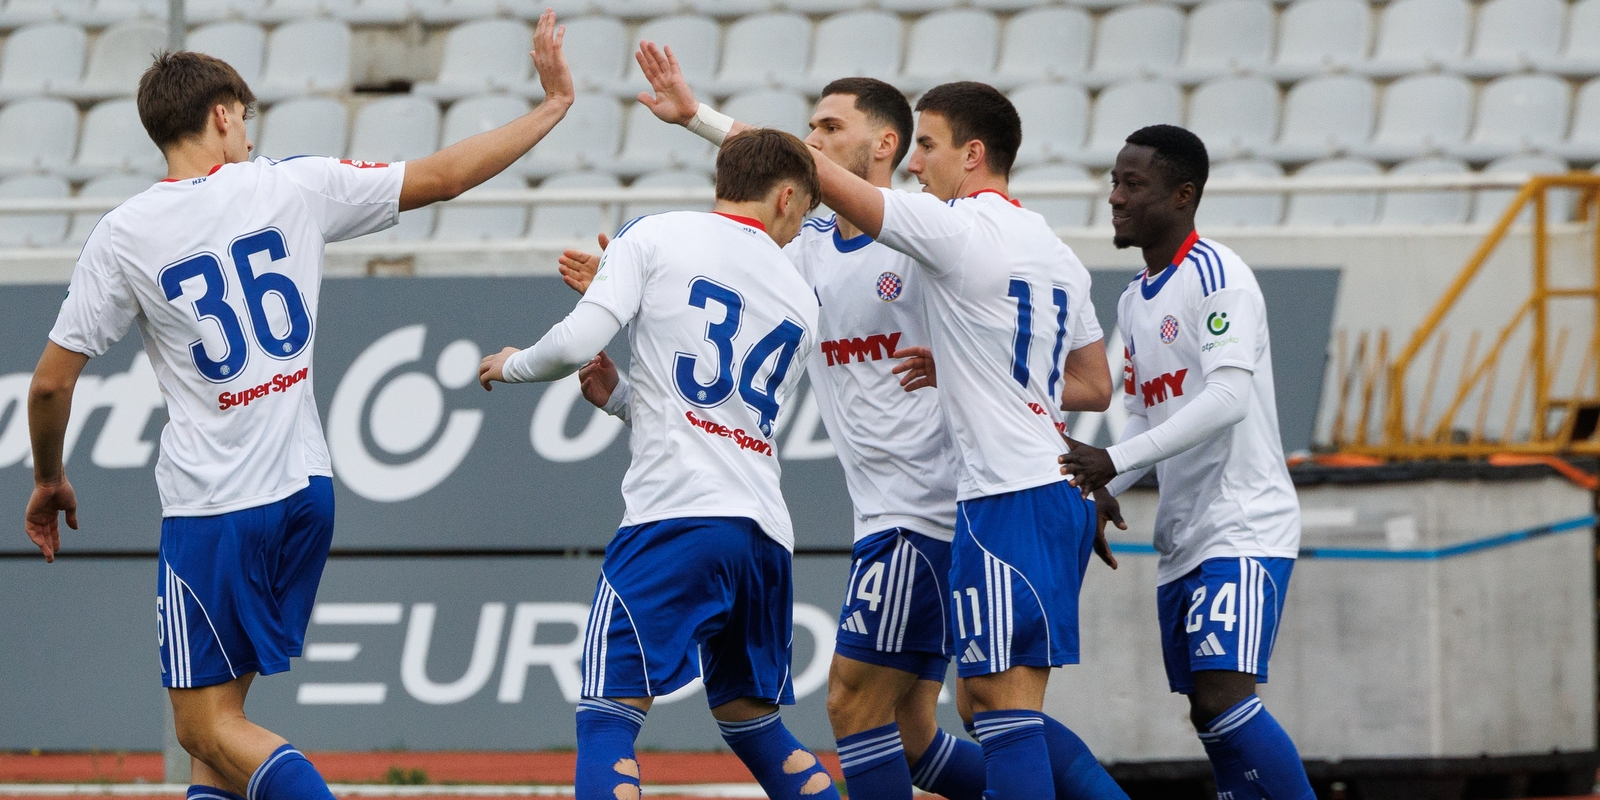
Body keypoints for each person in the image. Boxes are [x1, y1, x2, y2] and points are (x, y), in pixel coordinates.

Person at [23, 16, 573, 800]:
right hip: (305, 493)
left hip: (214, 507)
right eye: (244, 115)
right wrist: (550, 108)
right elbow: (444, 176)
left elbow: (49, 384)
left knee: (198, 727)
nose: (248, 131)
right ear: (221, 114)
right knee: (223, 733)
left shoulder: (125, 235)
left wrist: (49, 478)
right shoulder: (293, 185)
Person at [561, 67, 993, 800]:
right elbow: (719, 288)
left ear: (885, 144)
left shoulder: (926, 234)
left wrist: (698, 116)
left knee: (856, 707)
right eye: (812, 129)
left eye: (831, 128)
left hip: (928, 508)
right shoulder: (803, 246)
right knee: (914, 735)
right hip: (849, 514)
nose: (814, 139)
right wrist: (627, 283)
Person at [721, 74, 1126, 800]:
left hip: (968, 500)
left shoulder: (943, 228)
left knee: (899, 704)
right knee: (949, 721)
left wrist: (697, 117)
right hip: (1011, 493)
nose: (917, 161)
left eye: (928, 145)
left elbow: (812, 175)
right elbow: (1092, 383)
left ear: (969, 154)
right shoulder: (1044, 241)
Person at [478, 128, 839, 800]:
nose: (800, 229)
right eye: (807, 214)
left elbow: (580, 342)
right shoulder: (801, 297)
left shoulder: (659, 234)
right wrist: (620, 396)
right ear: (787, 197)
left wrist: (515, 363)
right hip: (762, 534)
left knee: (606, 716)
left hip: (676, 518)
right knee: (755, 725)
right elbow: (715, 408)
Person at [1057, 124, 1312, 800]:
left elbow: (1227, 397)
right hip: (1185, 534)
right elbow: (1146, 415)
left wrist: (1112, 459)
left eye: (1132, 184)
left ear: (1182, 195)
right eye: (1114, 181)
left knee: (1226, 696)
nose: (1114, 197)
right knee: (1207, 708)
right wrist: (1108, 484)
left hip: (1243, 522)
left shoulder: (1218, 274)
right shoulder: (1135, 298)